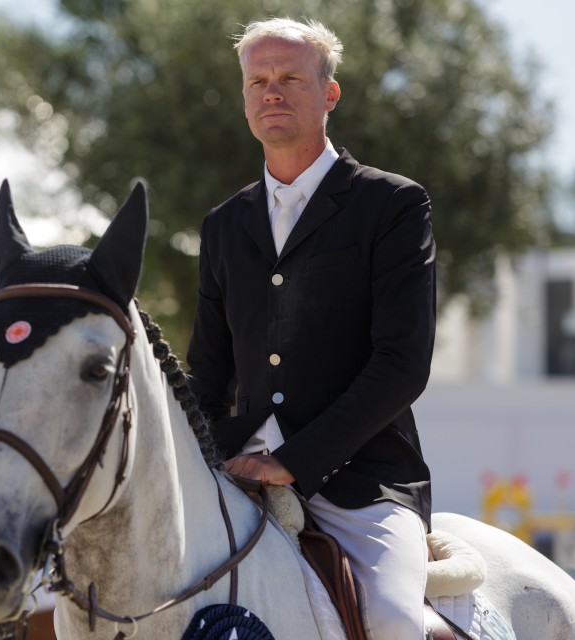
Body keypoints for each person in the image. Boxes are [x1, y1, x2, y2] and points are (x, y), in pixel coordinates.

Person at [187, 17, 435, 640]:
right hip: (234, 477)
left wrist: (295, 460)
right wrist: (211, 463)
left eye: (291, 78)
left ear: (329, 93)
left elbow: (402, 364)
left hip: (362, 481)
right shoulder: (222, 225)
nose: (272, 91)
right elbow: (208, 376)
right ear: (244, 97)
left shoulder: (394, 205)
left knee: (397, 622)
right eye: (258, 81)